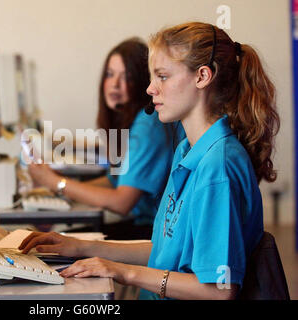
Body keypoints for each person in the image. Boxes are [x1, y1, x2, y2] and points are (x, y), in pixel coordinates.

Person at [19, 22, 280, 299]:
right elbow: (163, 251)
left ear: (202, 76)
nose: (150, 89)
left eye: (162, 76)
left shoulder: (219, 167)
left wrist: (122, 272)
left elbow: (218, 290)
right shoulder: (186, 151)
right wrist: (80, 247)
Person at [27, 38, 184, 240]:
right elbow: (115, 180)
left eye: (126, 77)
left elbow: (122, 202)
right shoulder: (133, 119)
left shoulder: (148, 123)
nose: (115, 84)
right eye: (110, 75)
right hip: (146, 228)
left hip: (154, 235)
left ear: (142, 82)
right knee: (56, 240)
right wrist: (57, 181)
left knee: (53, 243)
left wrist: (57, 183)